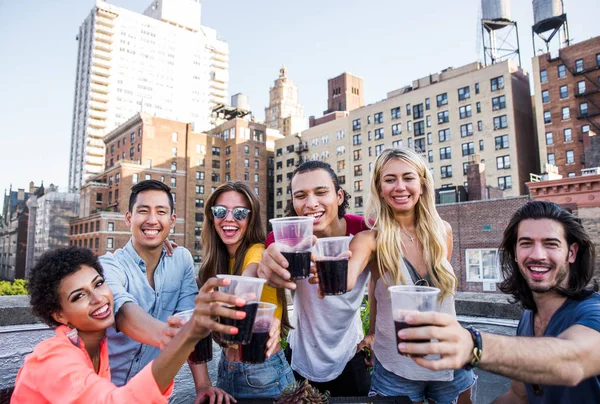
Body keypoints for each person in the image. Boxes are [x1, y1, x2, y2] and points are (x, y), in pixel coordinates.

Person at [396, 200, 600, 403]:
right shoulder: (529, 318)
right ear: (515, 254)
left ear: (571, 253)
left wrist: (473, 346)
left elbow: (573, 361)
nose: (537, 255)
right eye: (526, 243)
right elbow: (518, 397)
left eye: (550, 244)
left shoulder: (593, 312)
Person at [329, 148, 473, 404]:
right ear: (379, 187)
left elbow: (437, 295)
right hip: (397, 368)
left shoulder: (444, 232)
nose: (400, 187)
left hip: (451, 361)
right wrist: (329, 275)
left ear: (422, 183)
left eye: (408, 178)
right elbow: (361, 283)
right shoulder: (370, 240)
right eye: (390, 179)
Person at [11, 247, 246, 403]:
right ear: (60, 316)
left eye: (99, 283)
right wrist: (188, 336)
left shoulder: (96, 346)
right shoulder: (54, 359)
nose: (98, 298)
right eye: (79, 296)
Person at [99, 180, 234, 403]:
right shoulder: (109, 265)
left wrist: (203, 385)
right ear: (128, 218)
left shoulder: (181, 260)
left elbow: (189, 316)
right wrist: (183, 334)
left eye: (161, 212)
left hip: (154, 394)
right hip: (105, 394)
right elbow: (123, 313)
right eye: (143, 211)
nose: (152, 220)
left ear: (172, 220)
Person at [256, 160, 372, 396]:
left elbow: (384, 283)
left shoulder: (364, 231)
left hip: (351, 356)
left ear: (339, 196)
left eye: (321, 192)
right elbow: (266, 261)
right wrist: (267, 265)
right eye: (300, 196)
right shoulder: (284, 239)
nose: (311, 203)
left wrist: (376, 333)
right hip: (300, 360)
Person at [196, 181, 294, 398]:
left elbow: (251, 273)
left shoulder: (258, 251)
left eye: (240, 213)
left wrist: (243, 292)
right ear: (212, 217)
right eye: (220, 211)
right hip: (226, 371)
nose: (229, 218)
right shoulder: (214, 264)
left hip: (265, 374)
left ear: (250, 219)